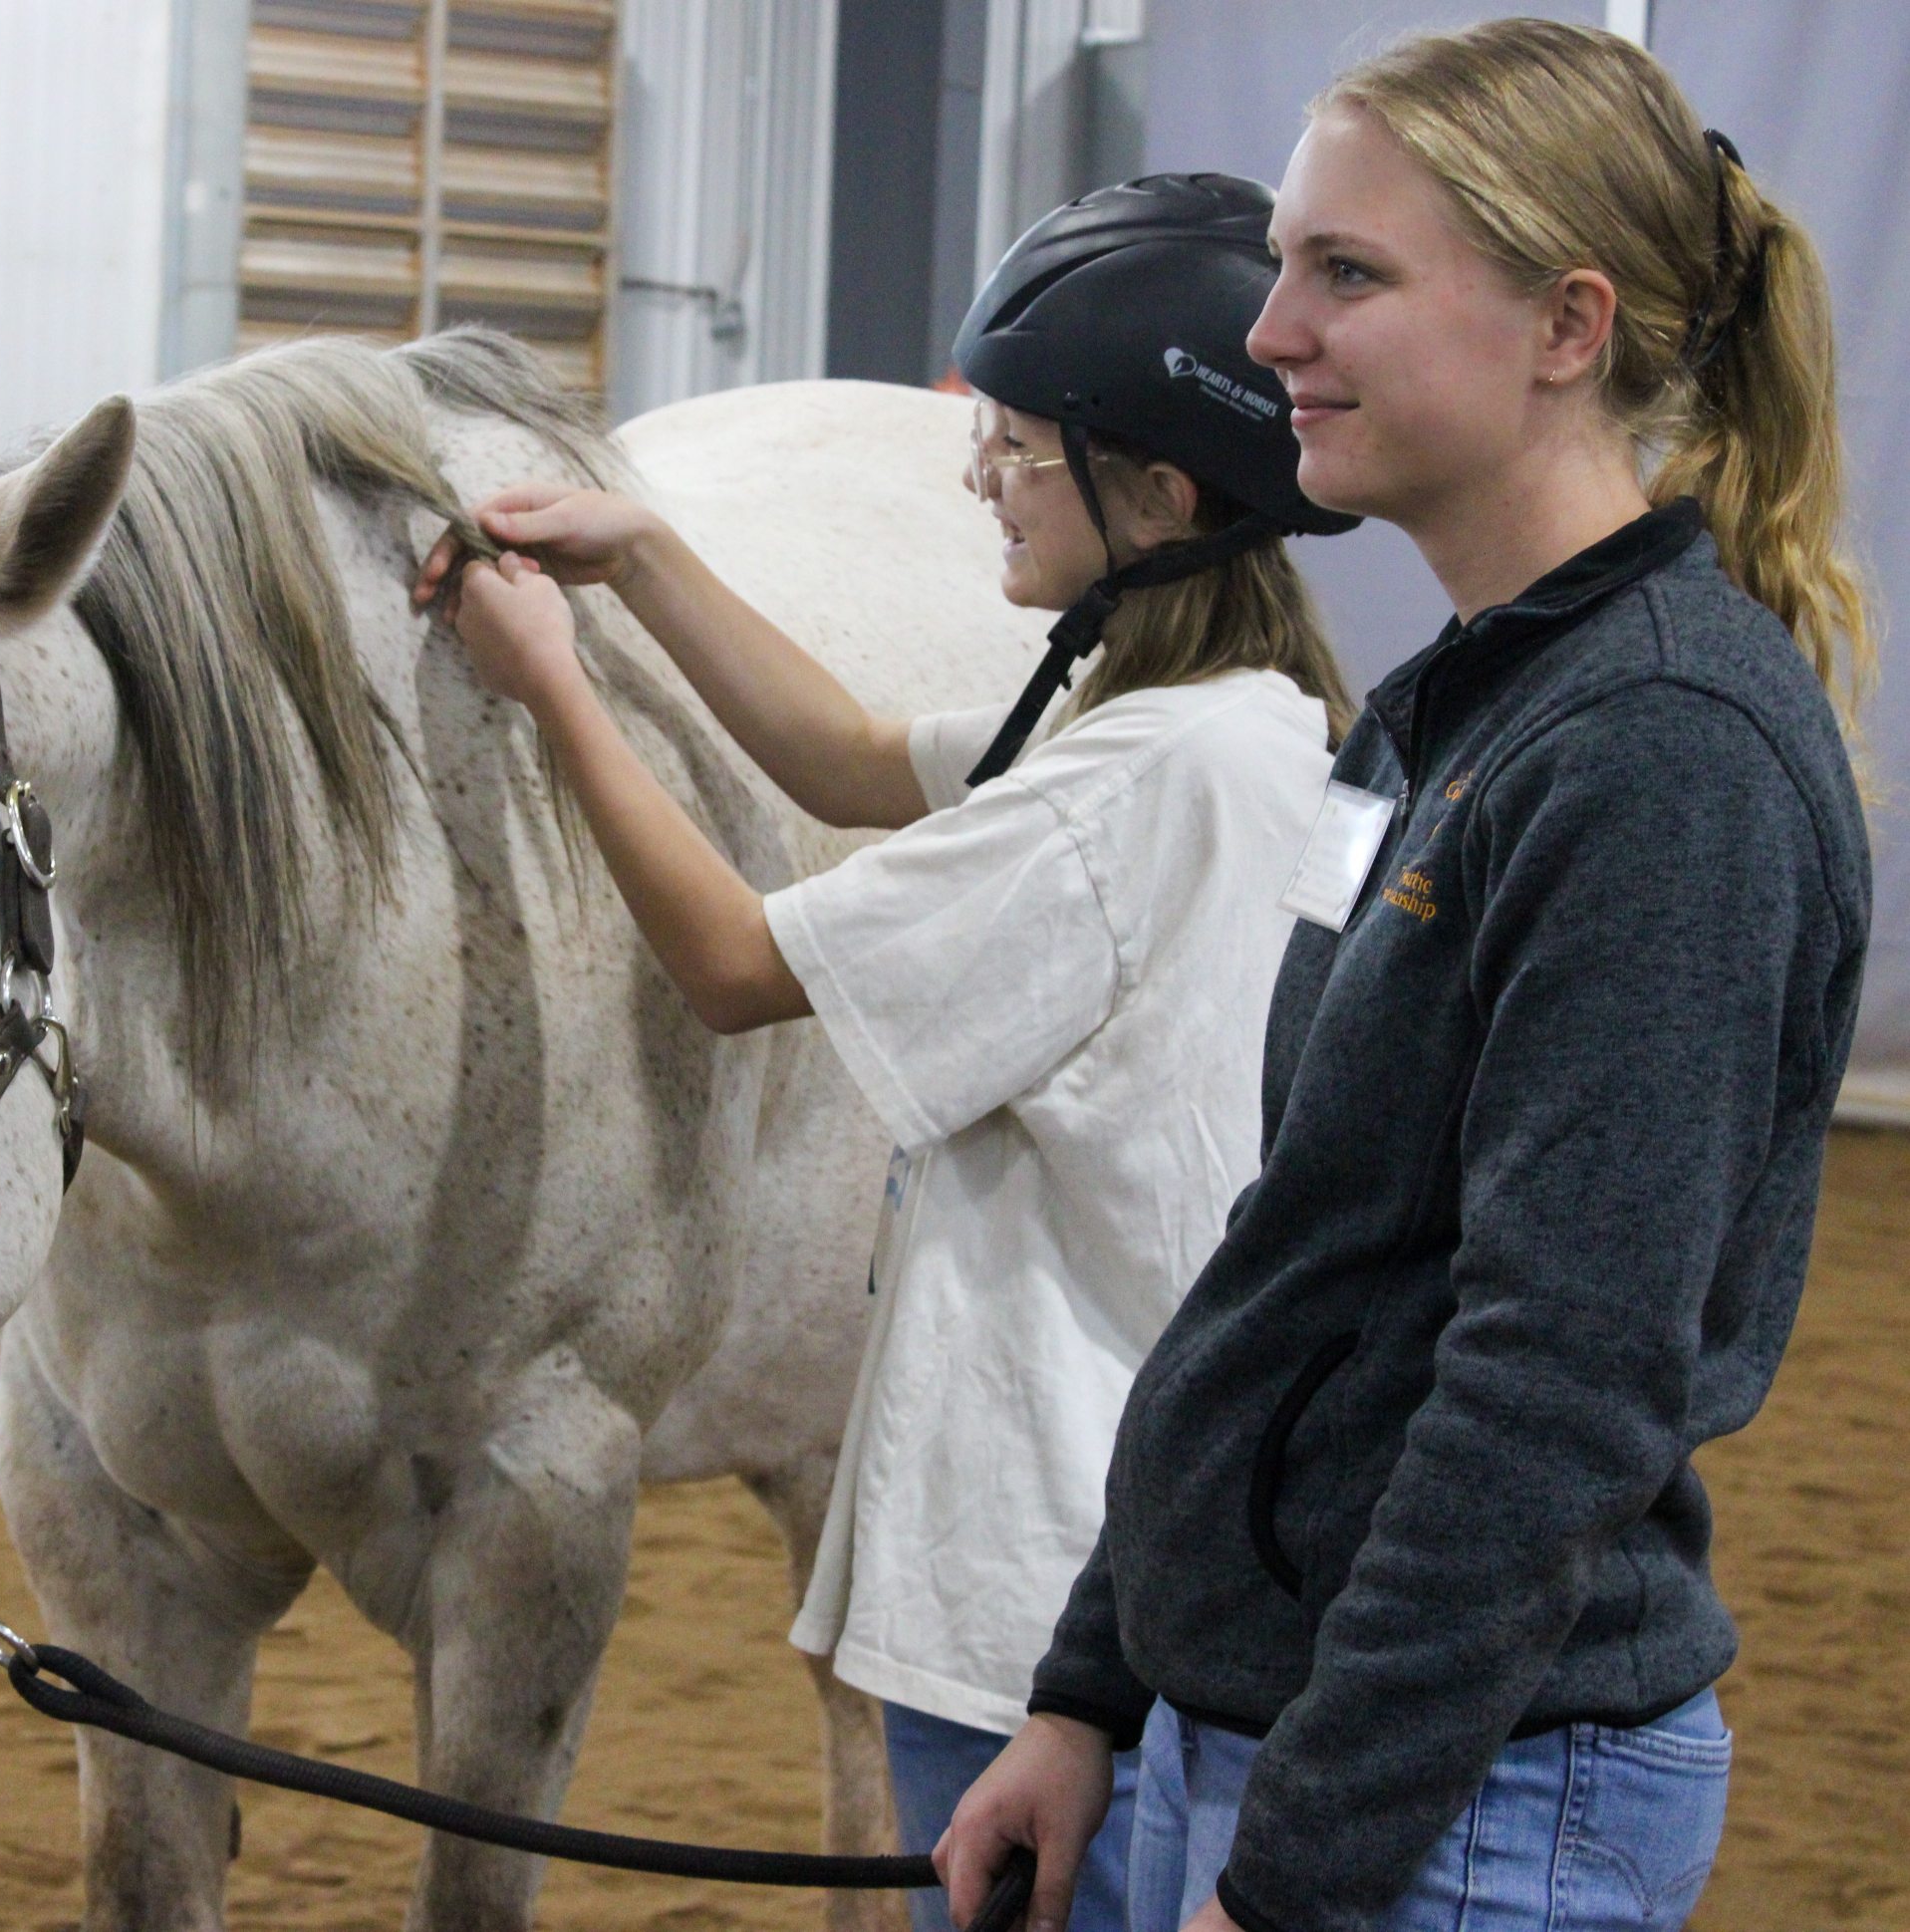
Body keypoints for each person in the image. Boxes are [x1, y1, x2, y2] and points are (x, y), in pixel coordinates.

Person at [941, 22, 1875, 1932]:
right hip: (1303, 1739)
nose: (1269, 330)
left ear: (1564, 326)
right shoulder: (1450, 711)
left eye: (1342, 274)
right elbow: (1299, 1246)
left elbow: (1556, 1384)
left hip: (1461, 1805)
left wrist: (1294, 1877)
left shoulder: (1660, 755)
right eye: (1287, 262)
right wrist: (1093, 1682)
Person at [417, 175, 1360, 1932]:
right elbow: (846, 752)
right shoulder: (1217, 722)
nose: (971, 475)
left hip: (1037, 1569)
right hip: (1130, 1536)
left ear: (1155, 491)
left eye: (1013, 445)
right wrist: (641, 562)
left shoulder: (1125, 784)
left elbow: (726, 960)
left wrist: (550, 682)